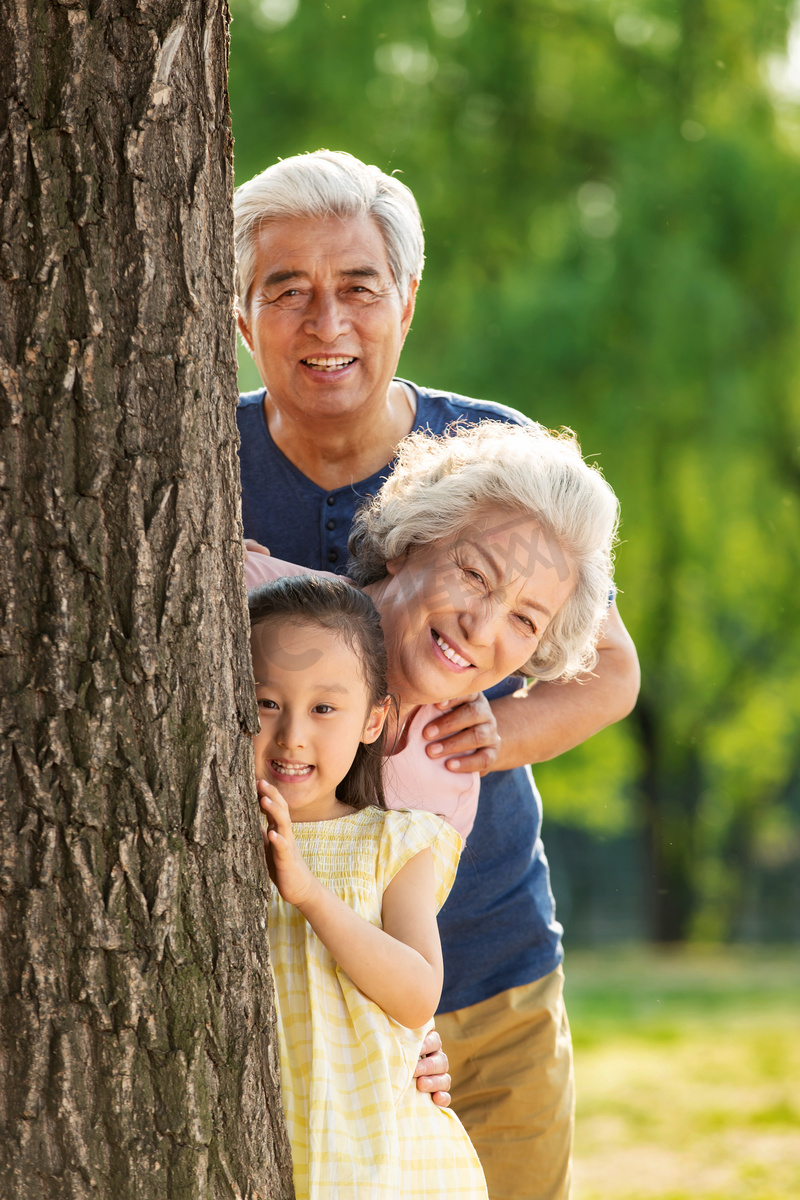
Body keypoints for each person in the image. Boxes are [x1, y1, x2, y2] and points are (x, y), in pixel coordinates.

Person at [234, 150, 641, 1200]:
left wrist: (498, 733)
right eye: (287, 290)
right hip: (285, 980)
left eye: (358, 288)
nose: (326, 322)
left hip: (487, 956)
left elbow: (607, 673)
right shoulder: (192, 464)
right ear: (241, 316)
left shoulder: (493, 456)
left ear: (405, 303)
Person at [250, 573, 488, 1199]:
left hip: (380, 1159)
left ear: (373, 719)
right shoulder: (215, 842)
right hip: (268, 1146)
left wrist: (307, 893)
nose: (293, 734)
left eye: (324, 708)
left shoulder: (395, 842)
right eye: (265, 703)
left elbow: (417, 995)